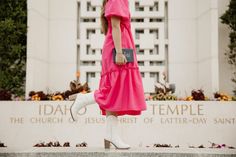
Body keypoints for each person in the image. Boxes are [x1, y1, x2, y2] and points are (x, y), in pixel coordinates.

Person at [69, 0, 147, 150]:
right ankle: (82, 99)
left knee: (115, 93)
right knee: (111, 91)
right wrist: (118, 52)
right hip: (118, 50)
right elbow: (116, 26)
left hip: (123, 50)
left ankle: (112, 135)